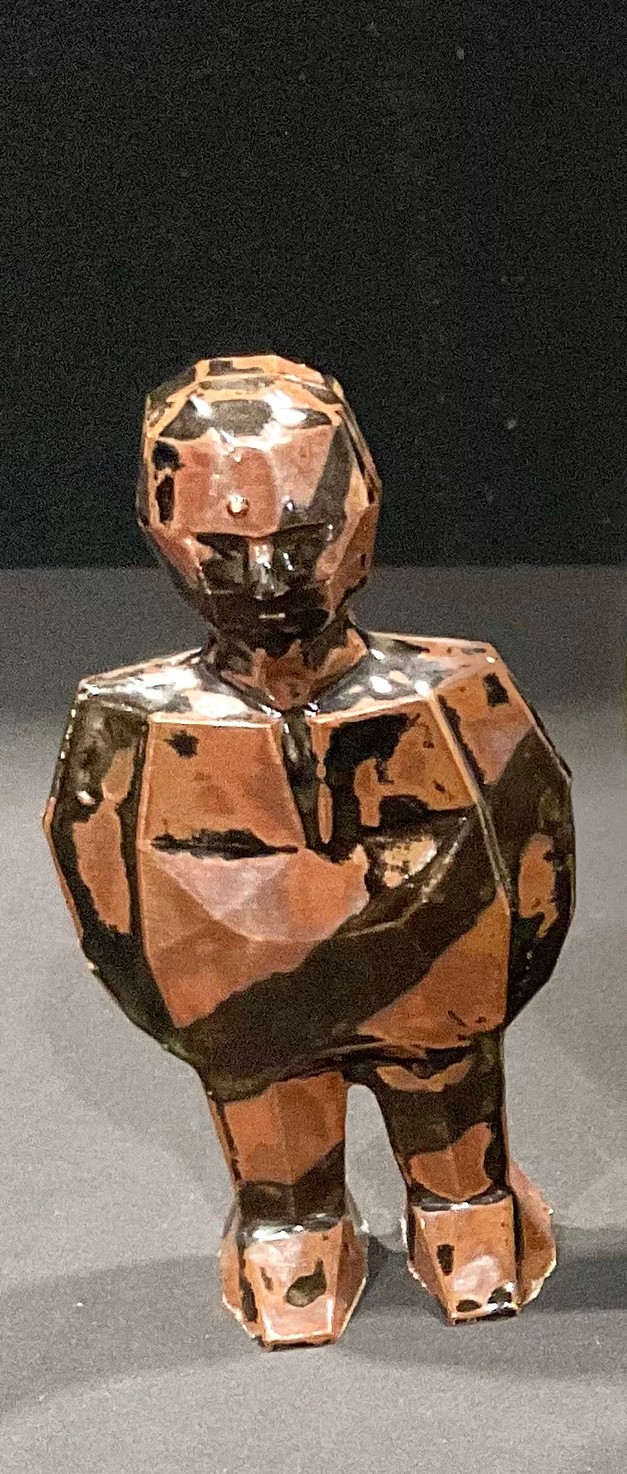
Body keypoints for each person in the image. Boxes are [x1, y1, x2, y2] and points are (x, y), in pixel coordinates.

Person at [44, 354, 574, 1346]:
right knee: (283, 1187)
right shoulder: (128, 726)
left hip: (442, 1014)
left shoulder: (457, 693)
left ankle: (466, 1209)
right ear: (164, 536)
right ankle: (295, 1227)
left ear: (357, 521)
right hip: (248, 1030)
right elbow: (103, 899)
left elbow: (536, 856)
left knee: (460, 1166)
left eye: (300, 540)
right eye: (223, 546)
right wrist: (204, 1022)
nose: (268, 578)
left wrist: (485, 989)